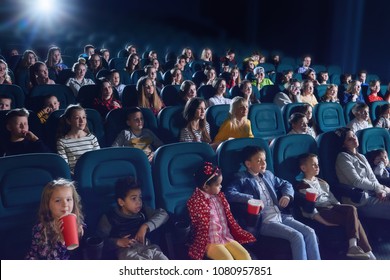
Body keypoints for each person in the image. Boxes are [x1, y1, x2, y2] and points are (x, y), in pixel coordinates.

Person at [225, 146, 321, 260]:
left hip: (281, 215)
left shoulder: (268, 175)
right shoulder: (242, 178)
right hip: (265, 221)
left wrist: (286, 195)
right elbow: (229, 193)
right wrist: (249, 199)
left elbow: (286, 184)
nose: (263, 163)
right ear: (248, 164)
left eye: (264, 160)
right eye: (259, 160)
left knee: (310, 232)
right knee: (297, 236)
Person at [296, 153, 376, 260]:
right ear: (303, 168)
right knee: (353, 217)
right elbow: (309, 209)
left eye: (317, 164)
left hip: (332, 207)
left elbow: (332, 199)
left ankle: (355, 248)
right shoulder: (303, 185)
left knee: (351, 211)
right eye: (313, 165)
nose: (317, 167)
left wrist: (341, 209)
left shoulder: (322, 182)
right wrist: (325, 222)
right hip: (322, 211)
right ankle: (365, 252)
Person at [187, 161, 256, 260]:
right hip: (210, 242)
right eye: (218, 184)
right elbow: (197, 225)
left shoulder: (219, 197)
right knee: (228, 260)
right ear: (206, 187)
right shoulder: (196, 201)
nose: (221, 186)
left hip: (226, 237)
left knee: (245, 257)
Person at [96, 177, 169, 260]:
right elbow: (99, 242)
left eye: (140, 197)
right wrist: (118, 242)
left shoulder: (143, 211)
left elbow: (164, 214)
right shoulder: (109, 217)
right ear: (121, 202)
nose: (139, 202)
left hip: (148, 247)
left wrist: (145, 226)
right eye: (133, 198)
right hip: (126, 252)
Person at [334, 127, 390, 220]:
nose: (354, 138)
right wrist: (377, 188)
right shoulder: (343, 157)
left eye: (354, 135)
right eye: (349, 139)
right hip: (361, 199)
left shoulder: (361, 157)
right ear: (343, 144)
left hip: (374, 191)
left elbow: (372, 177)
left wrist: (379, 191)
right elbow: (357, 181)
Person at [26, 178, 85, 260]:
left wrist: (80, 232)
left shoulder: (75, 219)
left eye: (68, 199)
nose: (65, 204)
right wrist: (61, 240)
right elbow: (48, 258)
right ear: (47, 204)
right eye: (58, 200)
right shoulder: (41, 229)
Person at [56, 104, 100, 174]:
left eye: (84, 117)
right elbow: (65, 166)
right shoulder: (62, 142)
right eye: (77, 118)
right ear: (68, 121)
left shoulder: (92, 138)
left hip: (92, 173)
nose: (82, 121)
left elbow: (98, 159)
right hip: (75, 175)